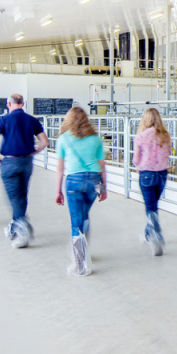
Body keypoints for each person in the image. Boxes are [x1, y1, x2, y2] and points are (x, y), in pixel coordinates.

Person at [0, 93, 48, 249]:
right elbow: (44, 141)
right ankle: (15, 228)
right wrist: (34, 152)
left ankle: (22, 229)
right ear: (23, 103)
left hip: (9, 161)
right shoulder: (32, 120)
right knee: (22, 196)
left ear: (9, 104)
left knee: (13, 197)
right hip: (26, 161)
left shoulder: (3, 120)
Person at [54, 107, 107, 276]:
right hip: (93, 181)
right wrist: (103, 188)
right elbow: (102, 166)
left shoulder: (63, 139)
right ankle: (85, 251)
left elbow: (60, 168)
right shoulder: (95, 139)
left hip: (74, 182)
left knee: (76, 221)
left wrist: (58, 191)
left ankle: (80, 264)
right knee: (84, 215)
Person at [132, 107, 171, 256]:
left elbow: (136, 159)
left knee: (150, 207)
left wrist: (138, 167)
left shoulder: (141, 136)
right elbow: (168, 153)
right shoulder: (166, 136)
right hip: (162, 174)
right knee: (153, 206)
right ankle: (148, 235)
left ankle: (157, 238)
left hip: (146, 174)